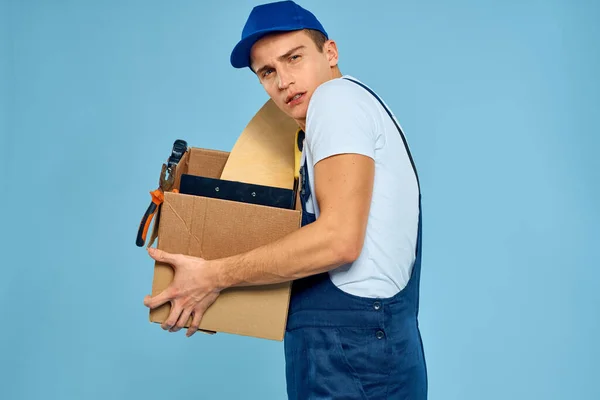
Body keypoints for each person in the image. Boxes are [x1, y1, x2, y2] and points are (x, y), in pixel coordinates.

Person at [143, 1, 427, 398]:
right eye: (267, 72)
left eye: (294, 58)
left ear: (330, 52)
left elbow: (338, 241)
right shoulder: (347, 112)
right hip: (365, 350)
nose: (283, 81)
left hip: (352, 354)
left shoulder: (336, 101)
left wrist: (213, 275)